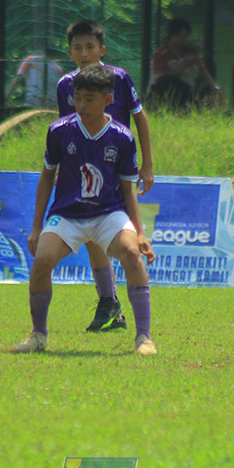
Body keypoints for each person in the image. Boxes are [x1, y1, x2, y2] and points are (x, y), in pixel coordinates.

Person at [16, 64, 156, 356]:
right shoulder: (58, 132)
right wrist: (36, 226)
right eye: (77, 98)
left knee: (131, 253)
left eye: (88, 99)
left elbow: (127, 191)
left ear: (108, 100)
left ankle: (144, 338)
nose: (80, 105)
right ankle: (38, 335)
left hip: (108, 213)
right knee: (41, 262)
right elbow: (46, 179)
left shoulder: (121, 137)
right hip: (68, 214)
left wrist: (140, 233)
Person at [56, 18, 153, 334]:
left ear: (102, 49)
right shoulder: (65, 86)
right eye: (78, 48)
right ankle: (109, 302)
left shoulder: (119, 79)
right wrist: (61, 168)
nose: (84, 53)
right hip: (84, 171)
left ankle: (130, 315)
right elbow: (65, 132)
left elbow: (140, 119)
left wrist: (147, 164)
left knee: (125, 242)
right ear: (70, 51)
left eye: (90, 47)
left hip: (117, 170)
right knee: (92, 236)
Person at [147, 18, 221, 108]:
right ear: (172, 35)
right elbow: (164, 78)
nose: (183, 39)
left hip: (187, 91)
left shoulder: (191, 51)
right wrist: (184, 64)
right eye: (180, 35)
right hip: (164, 92)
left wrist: (214, 89)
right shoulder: (161, 53)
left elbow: (202, 71)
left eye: (185, 35)